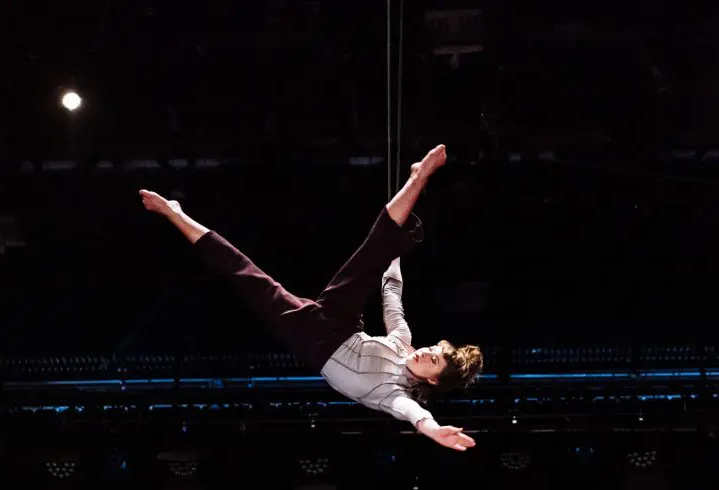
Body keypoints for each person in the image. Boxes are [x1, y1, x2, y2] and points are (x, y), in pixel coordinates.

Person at [139, 144, 483, 451]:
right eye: (434, 349)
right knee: (371, 253)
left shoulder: (392, 394)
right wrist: (389, 251)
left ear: (433, 380)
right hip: (342, 322)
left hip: (313, 340)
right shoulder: (403, 342)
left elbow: (413, 414)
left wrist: (433, 428)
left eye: (433, 360)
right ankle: (418, 178)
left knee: (245, 274)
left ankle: (175, 213)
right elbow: (391, 292)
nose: (426, 352)